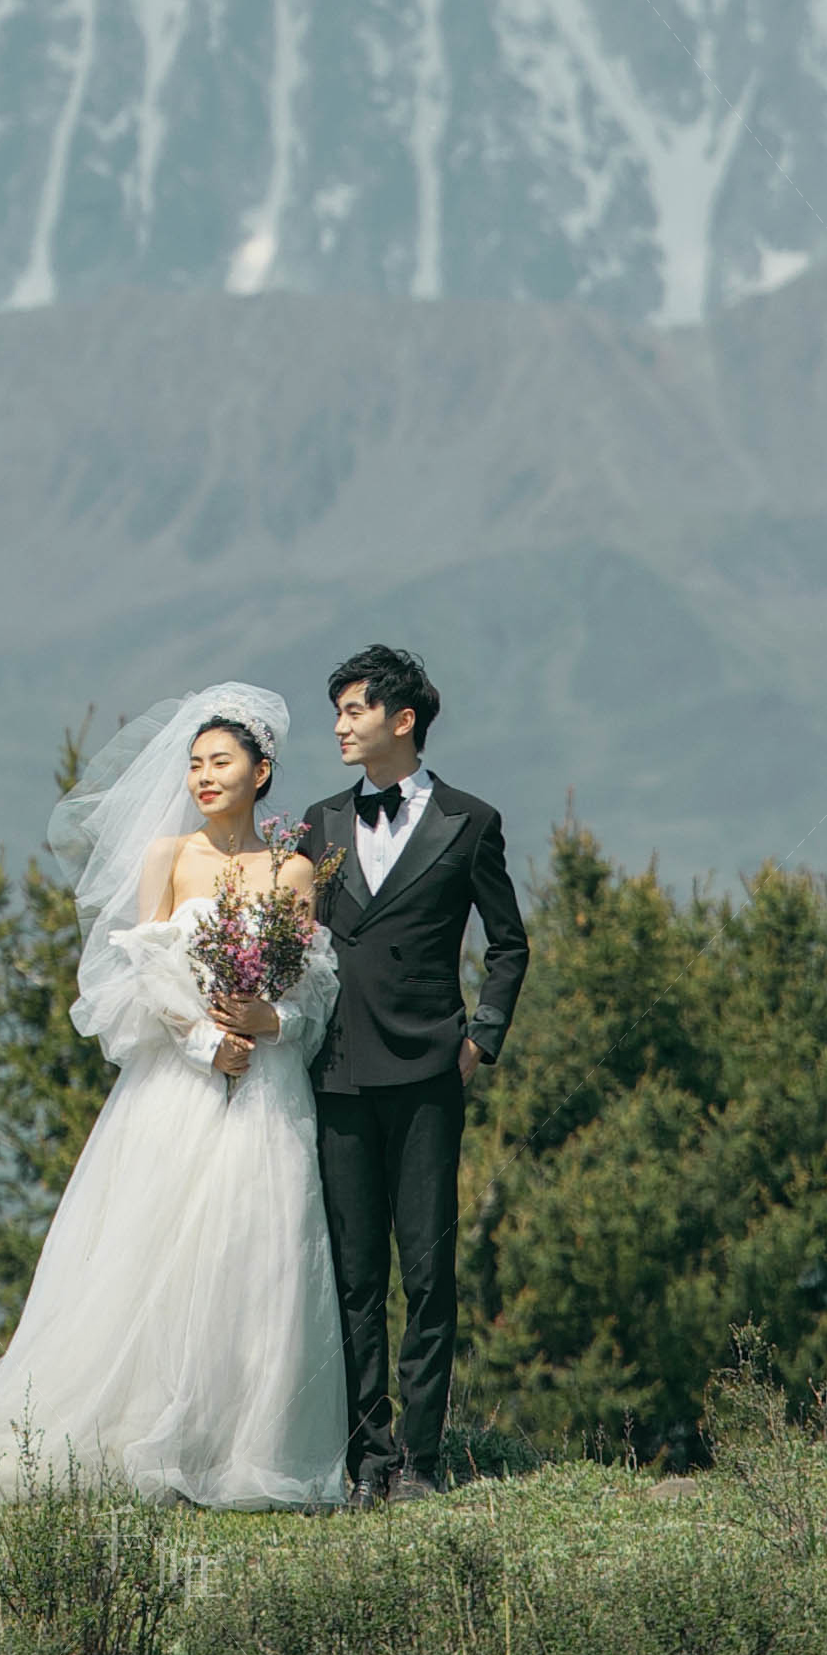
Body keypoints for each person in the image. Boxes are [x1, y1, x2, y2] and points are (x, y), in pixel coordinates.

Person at [0, 689, 352, 1508]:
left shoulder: (292, 870)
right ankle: (132, 1437)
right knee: (146, 1248)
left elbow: (313, 990)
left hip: (266, 1084)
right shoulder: (168, 858)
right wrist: (204, 1040)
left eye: (221, 762)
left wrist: (269, 1019)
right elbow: (133, 978)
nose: (202, 776)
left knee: (256, 1248)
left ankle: (240, 1446)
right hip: (176, 1081)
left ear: (261, 773)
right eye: (194, 764)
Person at [306, 640, 525, 1502]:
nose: (340, 725)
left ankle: (422, 1464)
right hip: (337, 1075)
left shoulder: (471, 821)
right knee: (356, 1276)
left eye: (354, 709)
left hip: (432, 1076)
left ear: (403, 720)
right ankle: (368, 1457)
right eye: (337, 711)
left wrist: (482, 1040)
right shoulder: (317, 824)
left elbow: (509, 945)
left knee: (428, 1275)